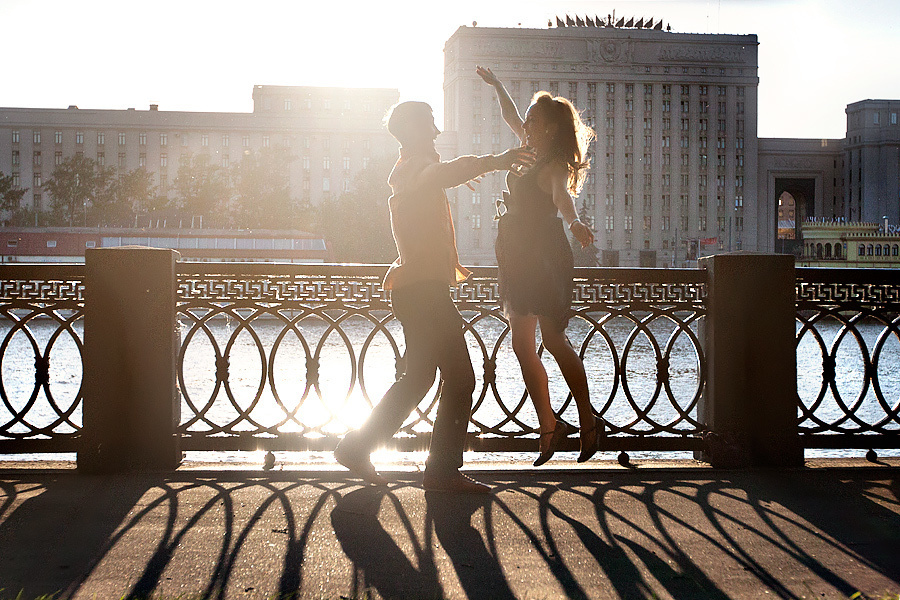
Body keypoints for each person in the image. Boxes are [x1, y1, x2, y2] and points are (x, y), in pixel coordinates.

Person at [334, 100, 535, 493]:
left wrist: (463, 173)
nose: (437, 131)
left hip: (417, 289)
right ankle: (441, 471)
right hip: (423, 291)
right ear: (412, 130)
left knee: (419, 378)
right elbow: (443, 172)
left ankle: (357, 448)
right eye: (429, 123)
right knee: (460, 378)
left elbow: (442, 174)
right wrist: (496, 161)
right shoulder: (412, 169)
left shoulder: (414, 171)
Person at [476, 66, 604, 466]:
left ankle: (587, 420)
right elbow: (510, 115)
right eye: (528, 121)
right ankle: (549, 424)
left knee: (552, 340)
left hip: (544, 257)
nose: (526, 125)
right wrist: (498, 85)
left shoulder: (554, 165)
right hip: (517, 255)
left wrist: (575, 222)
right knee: (521, 344)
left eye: (534, 121)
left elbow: (562, 197)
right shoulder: (527, 148)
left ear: (549, 128)